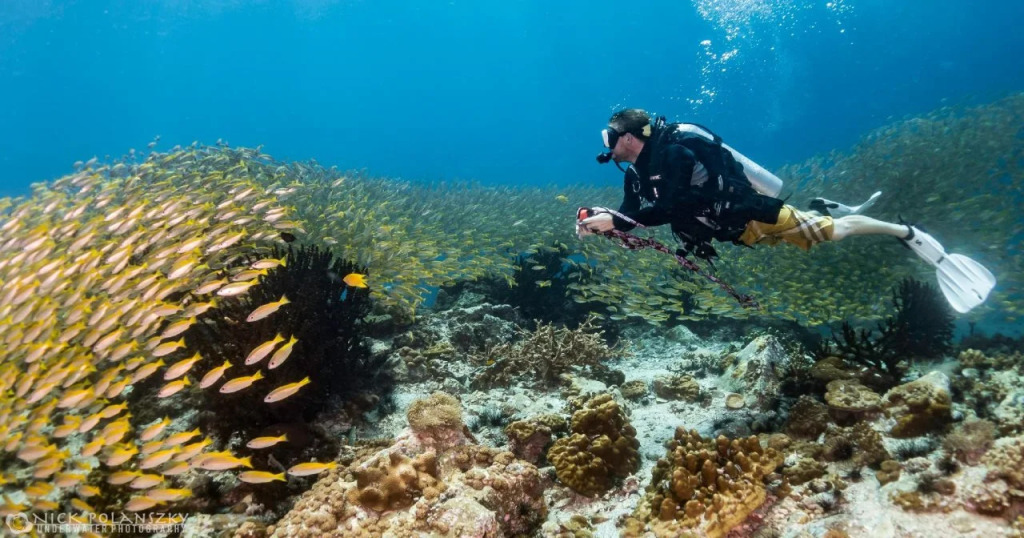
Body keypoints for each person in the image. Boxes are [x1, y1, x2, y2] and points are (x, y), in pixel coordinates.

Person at [577, 108, 995, 313]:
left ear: (629, 137)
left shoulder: (675, 154)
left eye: (610, 137)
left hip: (753, 214)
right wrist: (602, 221)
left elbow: (673, 205)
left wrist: (619, 220)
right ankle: (821, 206)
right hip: (736, 231)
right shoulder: (635, 175)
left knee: (835, 232)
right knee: (821, 231)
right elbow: (630, 213)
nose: (607, 145)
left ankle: (906, 233)